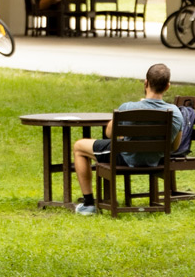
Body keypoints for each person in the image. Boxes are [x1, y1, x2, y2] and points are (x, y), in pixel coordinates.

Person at [71, 63, 187, 215]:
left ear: (146, 83)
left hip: (126, 158)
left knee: (79, 146)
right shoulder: (175, 113)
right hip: (154, 160)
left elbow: (109, 133)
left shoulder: (129, 107)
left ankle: (88, 204)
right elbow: (174, 147)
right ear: (167, 86)